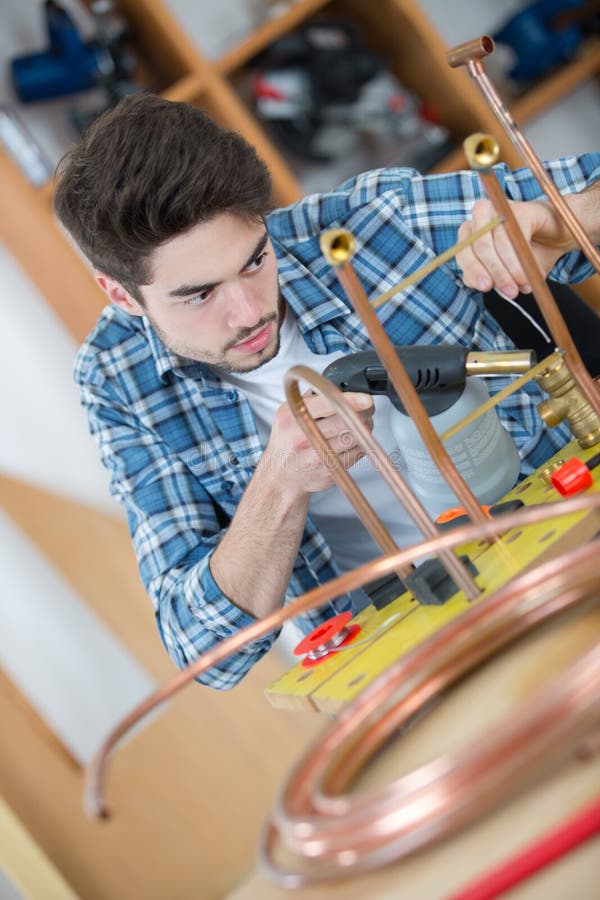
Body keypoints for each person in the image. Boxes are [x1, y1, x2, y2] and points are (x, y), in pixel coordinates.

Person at [53, 93, 599, 690]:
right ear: (122, 295)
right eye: (198, 295)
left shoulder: (371, 225)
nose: (248, 311)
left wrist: (563, 219)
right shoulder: (117, 380)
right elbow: (203, 653)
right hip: (416, 653)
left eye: (255, 261)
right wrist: (280, 482)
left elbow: (583, 198)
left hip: (568, 545)